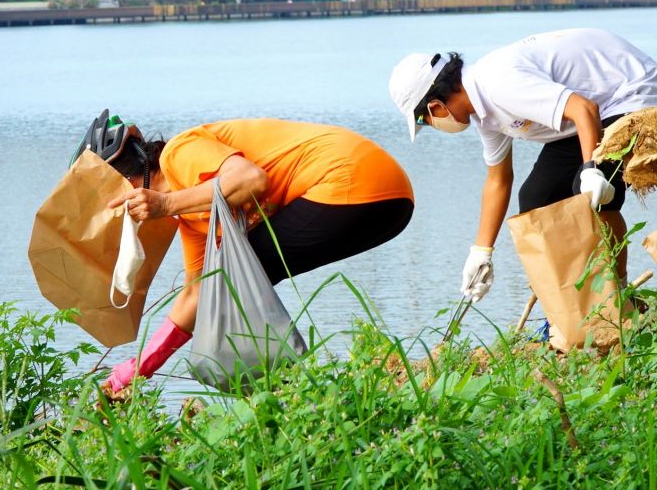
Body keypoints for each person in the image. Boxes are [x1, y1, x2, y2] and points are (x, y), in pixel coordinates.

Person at [84, 113, 415, 396]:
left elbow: (250, 179)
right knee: (228, 276)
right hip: (390, 204)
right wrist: (139, 367)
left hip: (356, 181)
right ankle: (287, 387)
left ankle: (287, 388)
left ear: (127, 183)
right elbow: (198, 293)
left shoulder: (179, 152)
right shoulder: (193, 214)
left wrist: (166, 204)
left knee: (236, 270)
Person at [388, 29, 657, 312]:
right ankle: (573, 305)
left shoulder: (499, 84)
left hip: (635, 94)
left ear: (436, 107)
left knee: (588, 193)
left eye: (425, 121)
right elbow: (498, 180)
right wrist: (481, 252)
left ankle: (619, 299)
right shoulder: (484, 113)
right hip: (592, 113)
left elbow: (583, 109)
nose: (432, 126)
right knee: (536, 200)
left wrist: (591, 170)